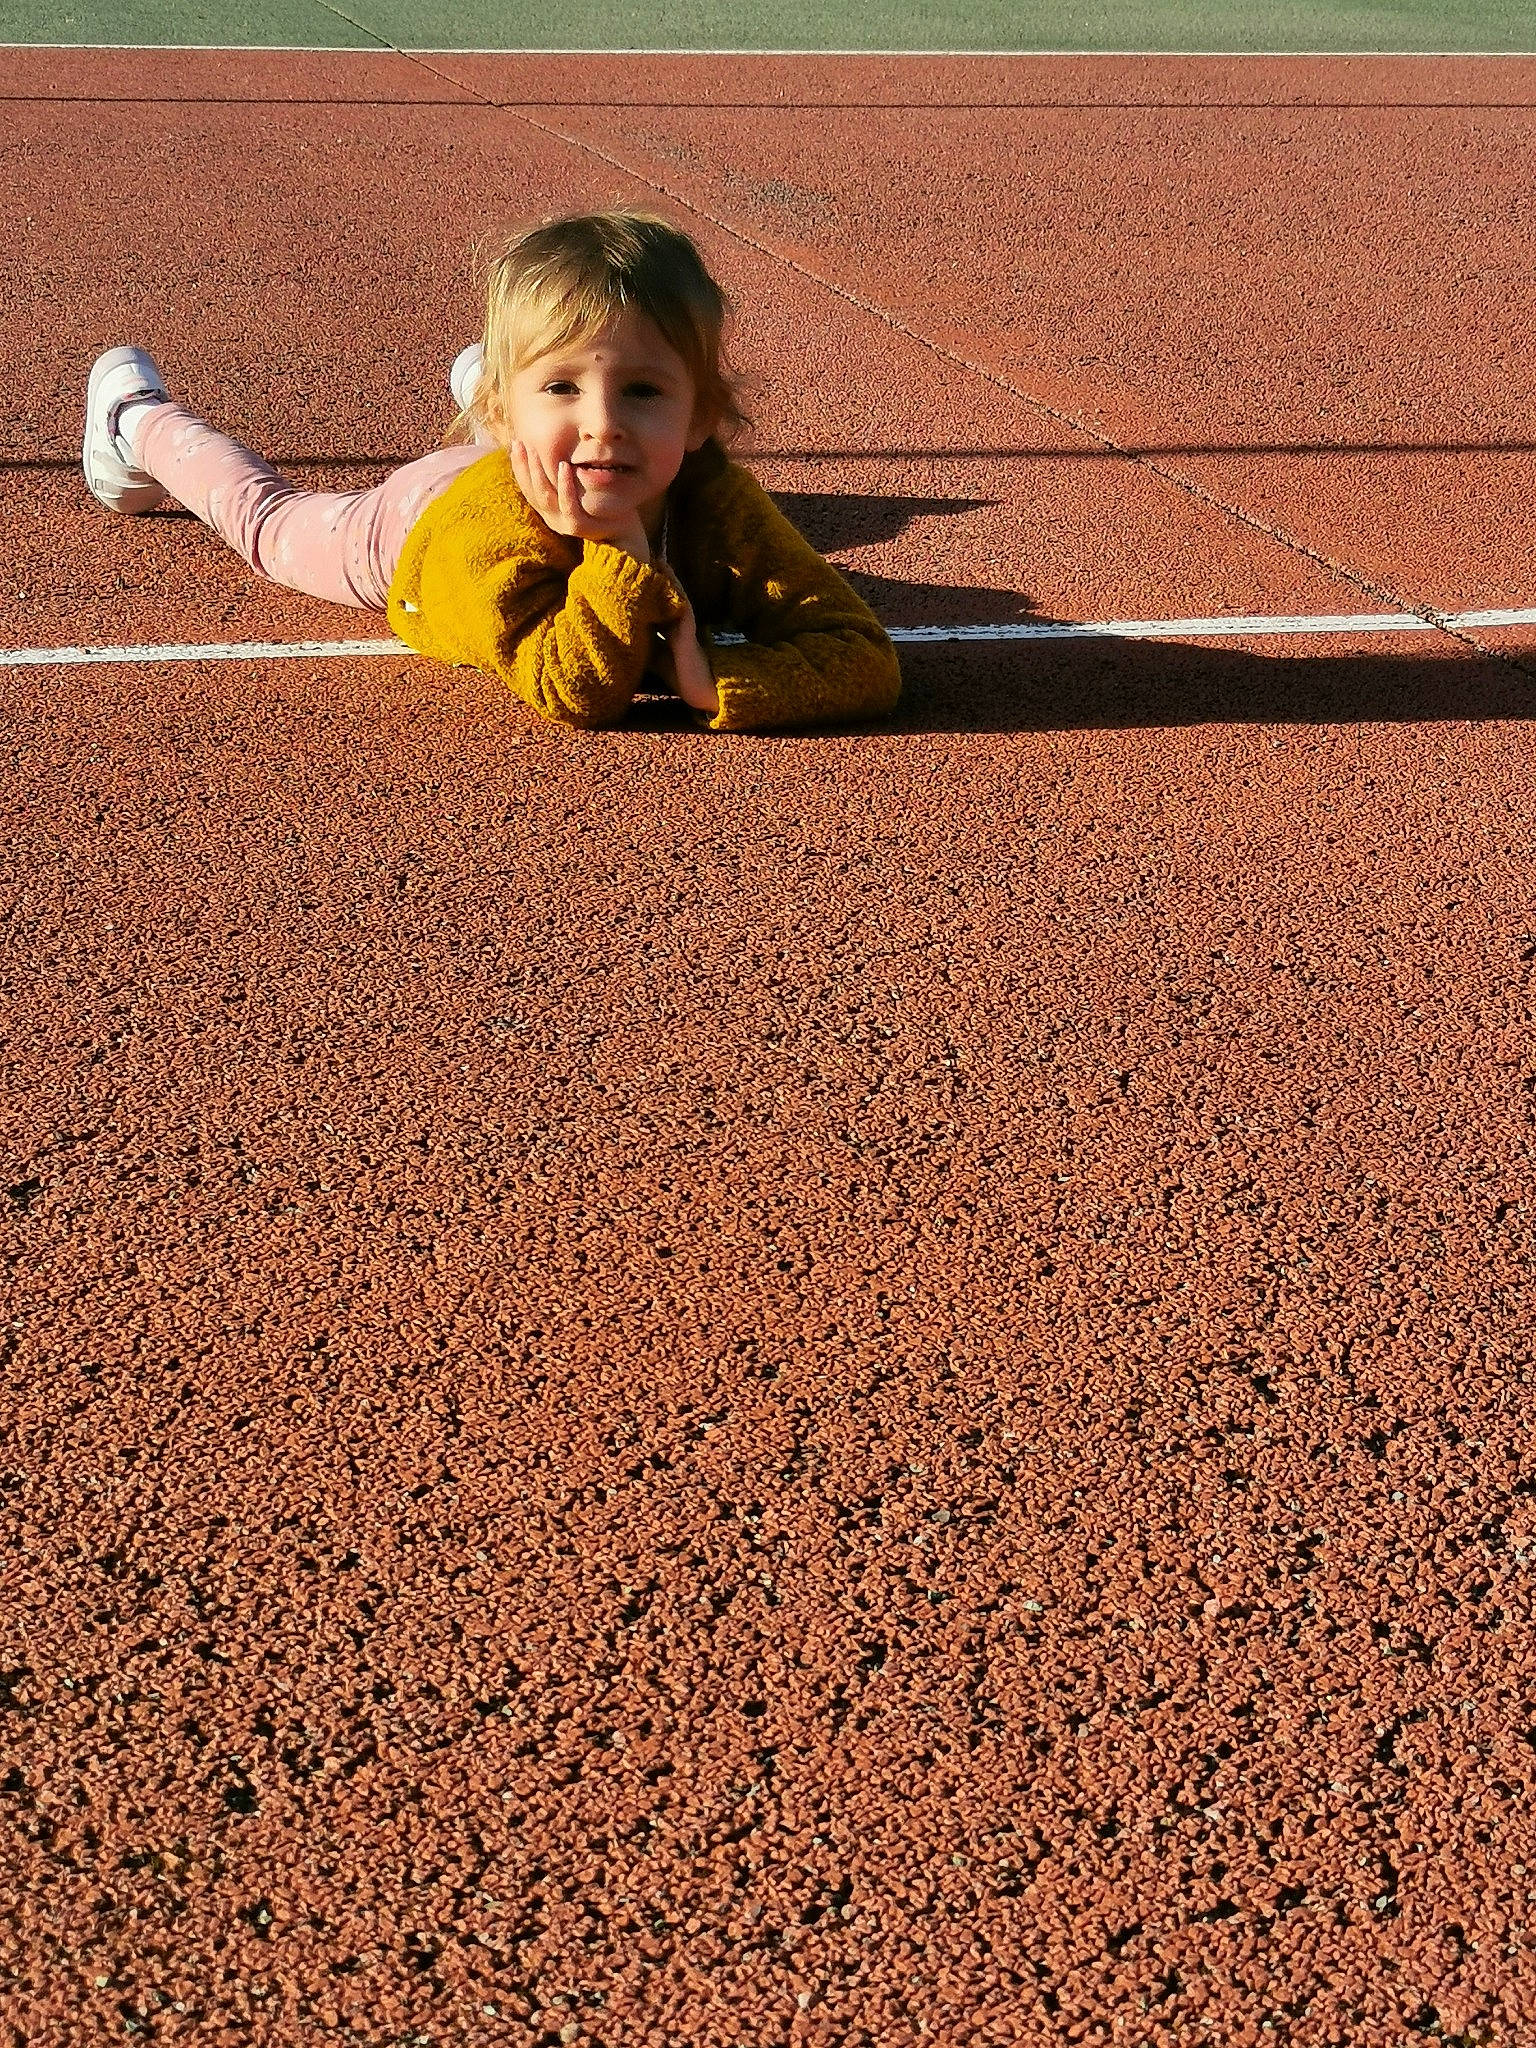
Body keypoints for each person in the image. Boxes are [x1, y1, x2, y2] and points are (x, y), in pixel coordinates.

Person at [81, 210, 901, 733]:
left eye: (643, 390)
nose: (607, 423)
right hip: (411, 532)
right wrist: (617, 542)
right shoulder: (484, 541)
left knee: (565, 433)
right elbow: (577, 690)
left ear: (699, 418)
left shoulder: (718, 498)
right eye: (566, 387)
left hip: (516, 449)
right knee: (267, 522)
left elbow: (863, 657)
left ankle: (506, 381)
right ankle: (134, 420)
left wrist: (711, 676)